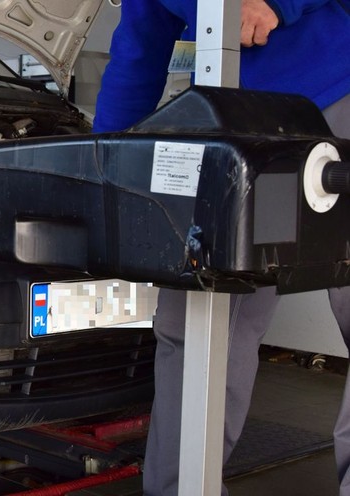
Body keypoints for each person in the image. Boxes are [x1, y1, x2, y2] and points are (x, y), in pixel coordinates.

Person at [92, 0, 350, 494]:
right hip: (231, 117)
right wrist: (104, 157)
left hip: (338, 89)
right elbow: (139, 49)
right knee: (198, 326)